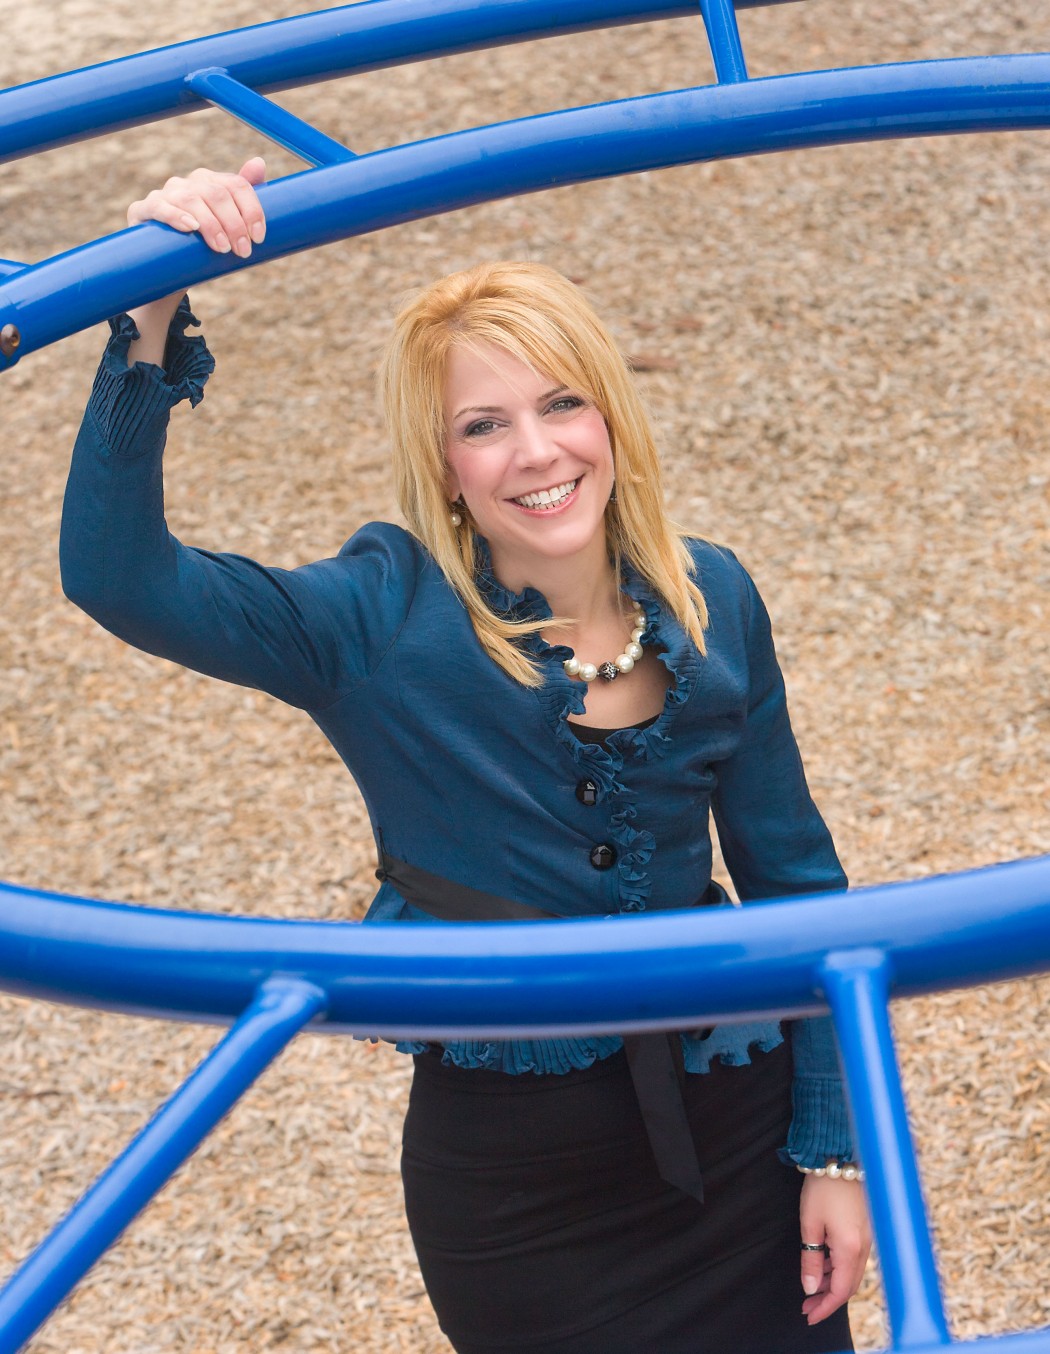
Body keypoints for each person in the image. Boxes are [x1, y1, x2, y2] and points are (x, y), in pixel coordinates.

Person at [61, 159, 871, 1354]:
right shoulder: (378, 615)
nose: (536, 452)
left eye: (561, 404)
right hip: (523, 1195)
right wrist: (147, 314)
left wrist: (836, 1150)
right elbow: (118, 576)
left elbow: (801, 885)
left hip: (741, 1136)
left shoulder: (711, 596)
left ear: (611, 414)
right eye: (483, 427)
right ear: (443, 464)